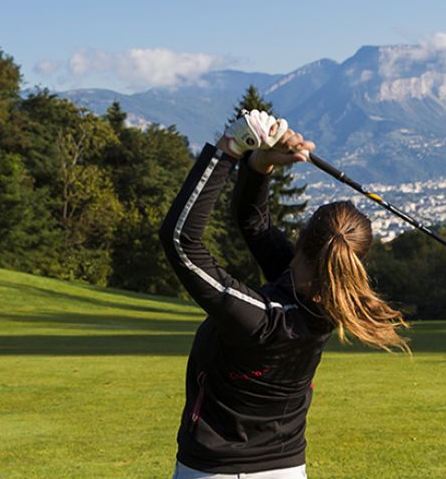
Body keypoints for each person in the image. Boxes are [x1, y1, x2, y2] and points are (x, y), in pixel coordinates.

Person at [160, 110, 410, 478]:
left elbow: (182, 241)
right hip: (287, 468)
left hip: (219, 472)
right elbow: (253, 222)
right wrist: (259, 164)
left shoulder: (267, 319)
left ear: (303, 240)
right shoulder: (325, 302)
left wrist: (229, 149)